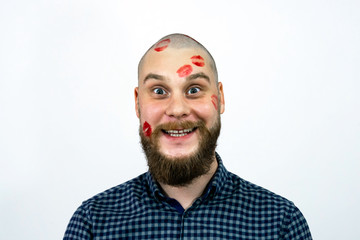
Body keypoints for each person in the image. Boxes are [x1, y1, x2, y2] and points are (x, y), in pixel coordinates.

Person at [63, 33, 312, 239]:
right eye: (159, 91)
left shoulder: (281, 224)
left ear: (220, 98)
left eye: (194, 89)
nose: (178, 109)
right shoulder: (92, 224)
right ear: (138, 103)